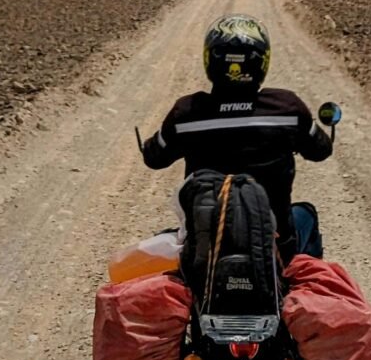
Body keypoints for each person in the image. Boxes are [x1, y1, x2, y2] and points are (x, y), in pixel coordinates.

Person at [142, 14, 333, 258]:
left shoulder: (187, 113)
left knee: (163, 245)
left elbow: (154, 158)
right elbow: (321, 151)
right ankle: (302, 282)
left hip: (207, 246)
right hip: (276, 242)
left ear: (209, 59)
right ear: (262, 62)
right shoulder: (288, 107)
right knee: (305, 213)